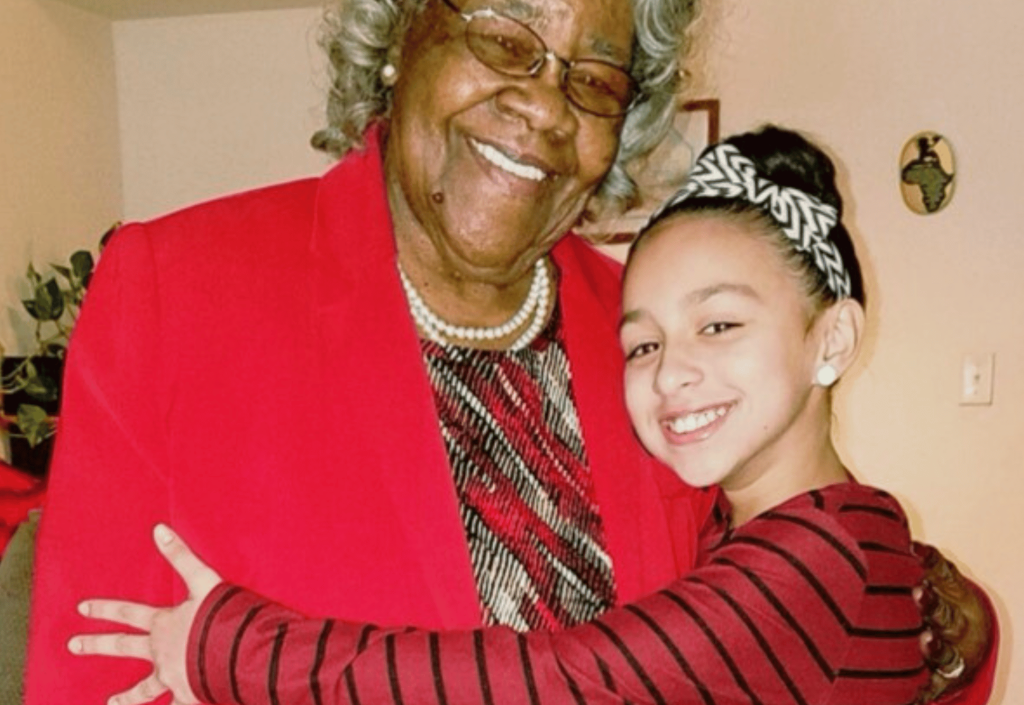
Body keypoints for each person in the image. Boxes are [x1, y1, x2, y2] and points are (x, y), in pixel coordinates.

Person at [25, 0, 992, 703]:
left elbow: (761, 613)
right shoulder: (180, 289)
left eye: (596, 80)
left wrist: (947, 623)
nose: (539, 105)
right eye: (503, 40)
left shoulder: (647, 343)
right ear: (406, 24)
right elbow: (91, 668)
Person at [70, 127, 981, 705]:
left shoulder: (813, 556)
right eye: (644, 342)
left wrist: (226, 646)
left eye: (720, 323)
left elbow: (553, 681)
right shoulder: (827, 534)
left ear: (832, 340)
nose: (674, 375)